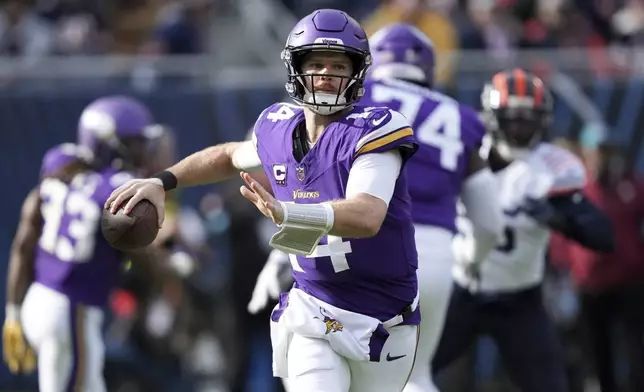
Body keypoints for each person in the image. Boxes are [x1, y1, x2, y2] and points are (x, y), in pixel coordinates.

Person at [106, 9, 422, 392]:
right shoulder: (277, 127)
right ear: (295, 69)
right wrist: (162, 181)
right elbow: (226, 156)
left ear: (356, 72)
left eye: (338, 65)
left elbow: (368, 215)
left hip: (383, 315)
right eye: (316, 63)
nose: (325, 74)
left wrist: (289, 212)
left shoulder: (373, 131)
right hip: (315, 307)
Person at [247, 22, 504, 392]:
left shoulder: (343, 105)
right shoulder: (460, 118)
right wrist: (471, 261)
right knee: (414, 379)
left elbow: (286, 172)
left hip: (350, 245)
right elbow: (488, 220)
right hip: (431, 255)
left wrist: (279, 256)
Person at [432, 69, 616, 392]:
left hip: (519, 299)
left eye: (528, 119)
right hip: (460, 291)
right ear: (491, 118)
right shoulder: (463, 151)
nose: (519, 128)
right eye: (512, 119)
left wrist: (560, 219)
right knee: (410, 370)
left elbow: (603, 236)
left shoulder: (549, 168)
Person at [4, 96, 164, 392]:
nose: (145, 149)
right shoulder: (118, 187)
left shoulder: (61, 166)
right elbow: (145, 260)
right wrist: (163, 277)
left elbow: (24, 243)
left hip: (37, 299)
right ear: (113, 143)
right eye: (137, 141)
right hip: (70, 311)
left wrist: (13, 310)